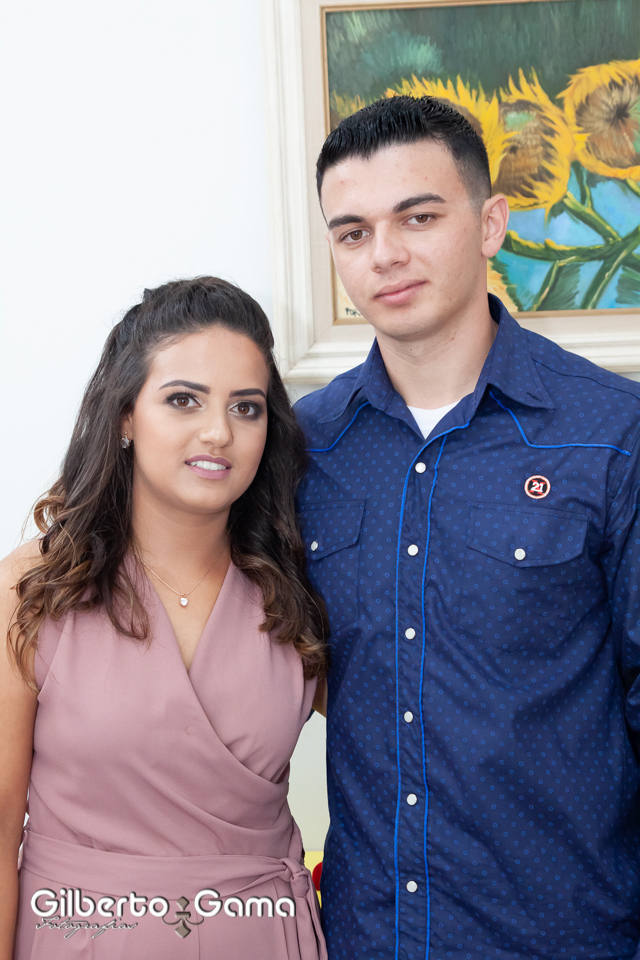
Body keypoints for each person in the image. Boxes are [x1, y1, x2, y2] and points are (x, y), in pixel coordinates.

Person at [296, 95, 640, 959]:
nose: (385, 254)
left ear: (491, 224)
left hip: (567, 935)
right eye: (353, 232)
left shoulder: (611, 434)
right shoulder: (304, 449)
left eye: (418, 217)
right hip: (369, 935)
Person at [0, 277, 328, 960]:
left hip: (262, 938)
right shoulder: (33, 588)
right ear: (125, 415)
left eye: (246, 407)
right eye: (184, 400)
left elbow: (408, 744)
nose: (219, 432)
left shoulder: (299, 588)